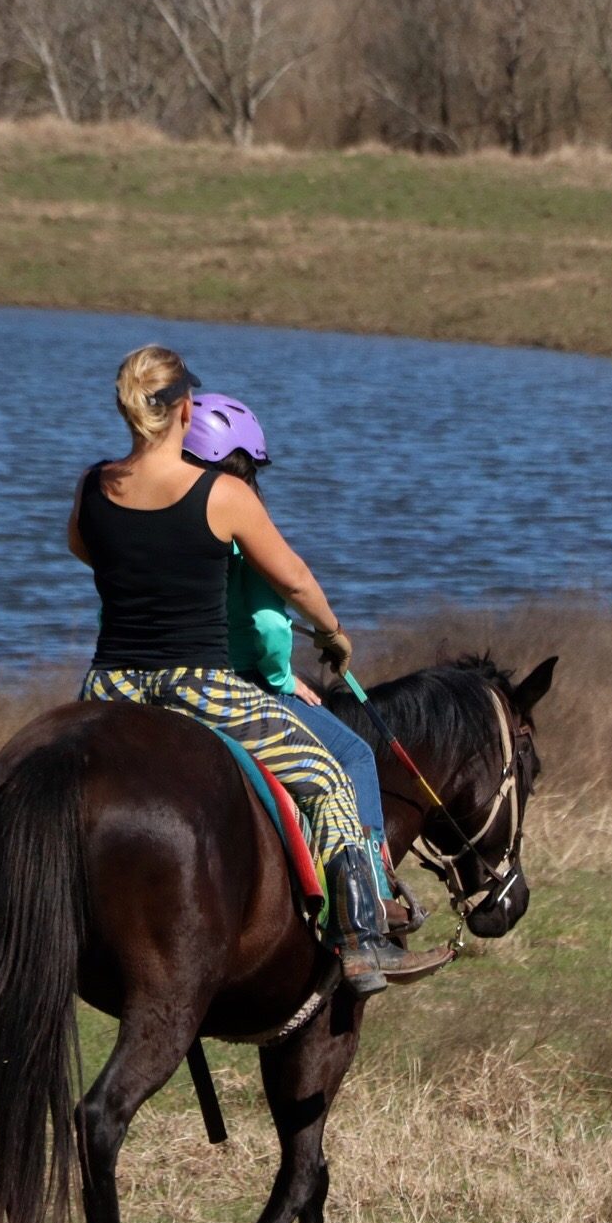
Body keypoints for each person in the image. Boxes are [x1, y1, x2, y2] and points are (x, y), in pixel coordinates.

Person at [68, 344, 450, 997]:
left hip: (107, 686)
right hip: (199, 688)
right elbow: (295, 580)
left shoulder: (94, 484)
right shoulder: (225, 494)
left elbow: (82, 548)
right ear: (185, 408)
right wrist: (332, 634)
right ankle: (362, 942)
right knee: (329, 777)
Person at [182, 390, 416, 929]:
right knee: (353, 756)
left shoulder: (158, 509)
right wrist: (282, 677)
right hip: (235, 682)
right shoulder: (241, 516)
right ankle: (373, 900)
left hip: (144, 674)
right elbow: (267, 627)